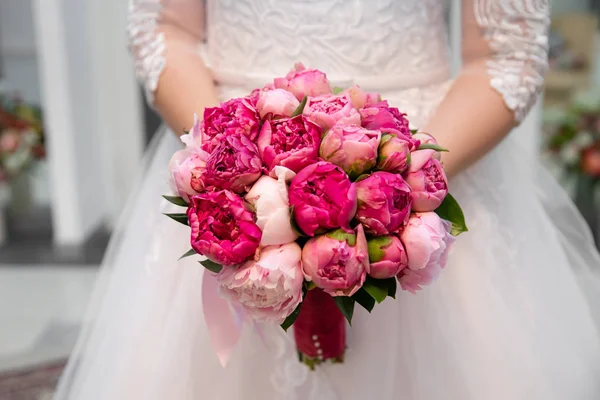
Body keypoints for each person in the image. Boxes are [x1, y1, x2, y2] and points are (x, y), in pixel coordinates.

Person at [54, 0, 600, 399]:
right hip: (232, 159)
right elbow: (162, 29)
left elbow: (507, 55)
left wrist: (397, 183)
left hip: (418, 165)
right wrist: (233, 171)